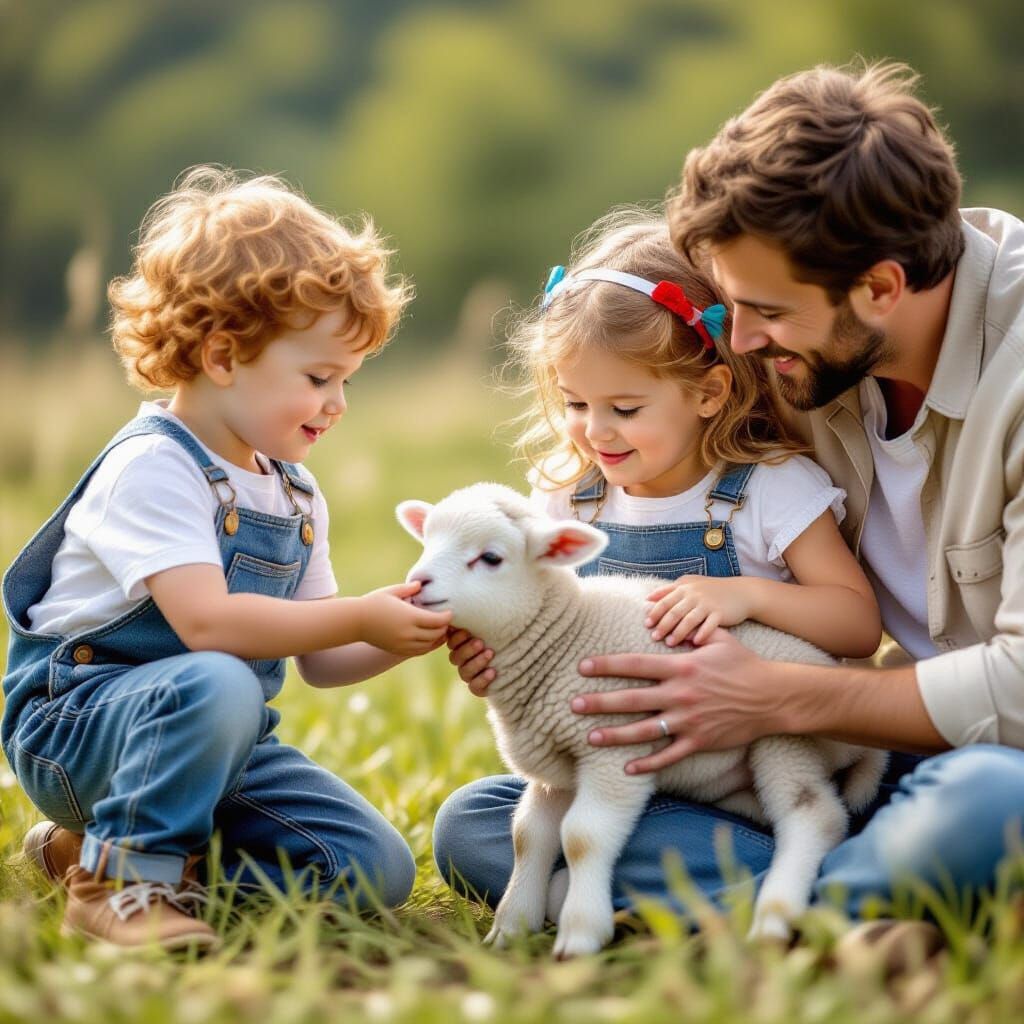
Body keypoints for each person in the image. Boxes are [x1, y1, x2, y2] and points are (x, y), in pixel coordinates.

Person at [436, 62, 1024, 947]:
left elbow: (1013, 691)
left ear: (881, 287)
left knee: (991, 803)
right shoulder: (811, 346)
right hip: (836, 752)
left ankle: (813, 908)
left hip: (979, 749)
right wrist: (522, 644)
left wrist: (771, 697)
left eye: (763, 313)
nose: (740, 344)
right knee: (485, 823)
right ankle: (860, 904)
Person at [1, 167, 452, 950]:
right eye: (319, 378)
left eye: (347, 381)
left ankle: (105, 857)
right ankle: (120, 885)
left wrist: (409, 621)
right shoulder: (154, 467)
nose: (338, 404)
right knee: (216, 680)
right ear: (222, 355)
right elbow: (207, 625)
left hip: (218, 742)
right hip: (80, 730)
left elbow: (322, 654)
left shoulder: (294, 491)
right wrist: (361, 614)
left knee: (367, 867)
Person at [434, 208, 885, 911]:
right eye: (577, 402)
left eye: (625, 407)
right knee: (471, 824)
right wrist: (492, 652)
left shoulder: (765, 490)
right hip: (623, 784)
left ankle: (765, 883)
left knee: (586, 834)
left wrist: (749, 598)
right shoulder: (565, 503)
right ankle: (769, 885)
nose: (595, 430)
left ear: (709, 392)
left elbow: (857, 623)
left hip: (753, 772)